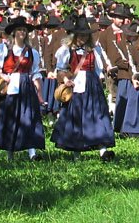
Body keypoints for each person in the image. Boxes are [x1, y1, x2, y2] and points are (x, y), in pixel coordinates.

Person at [50, 17, 117, 160]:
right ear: (74, 35)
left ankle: (103, 150)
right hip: (76, 86)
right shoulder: (66, 50)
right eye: (80, 35)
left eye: (85, 35)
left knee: (97, 115)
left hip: (92, 86)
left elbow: (99, 68)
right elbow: (60, 69)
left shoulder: (93, 50)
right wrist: (67, 80)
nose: (83, 38)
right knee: (76, 117)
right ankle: (76, 152)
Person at [0, 17, 47, 160]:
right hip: (10, 87)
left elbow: (35, 73)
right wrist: (2, 75)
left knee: (29, 118)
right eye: (19, 29)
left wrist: (39, 93)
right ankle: (10, 154)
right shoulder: (4, 49)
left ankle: (32, 154)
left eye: (24, 30)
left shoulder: (32, 52)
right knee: (10, 118)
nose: (22, 32)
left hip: (26, 86)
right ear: (13, 32)